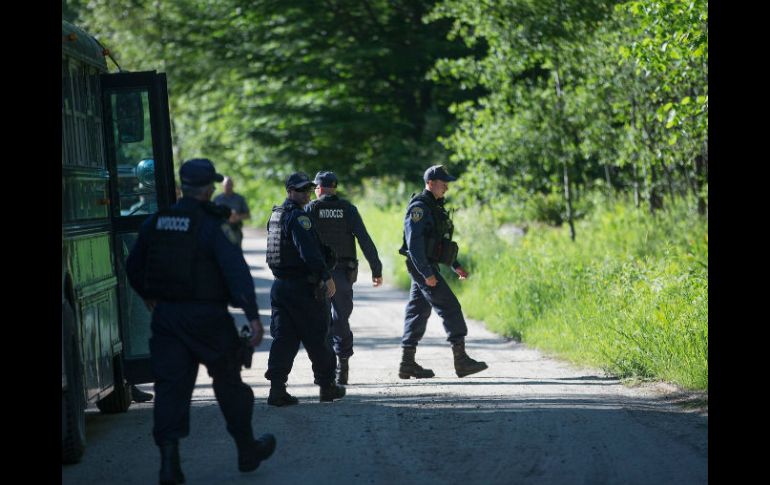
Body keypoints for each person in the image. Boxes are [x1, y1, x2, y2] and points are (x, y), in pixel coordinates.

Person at [126, 158, 276, 484]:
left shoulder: (157, 221)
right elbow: (235, 271)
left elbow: (133, 265)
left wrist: (148, 295)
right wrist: (252, 316)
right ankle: (247, 450)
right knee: (229, 384)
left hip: (167, 318)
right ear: (209, 189)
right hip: (208, 319)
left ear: (183, 185)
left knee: (170, 389)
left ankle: (169, 465)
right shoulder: (213, 225)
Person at [264, 171, 346, 406]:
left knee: (284, 339)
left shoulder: (276, 215)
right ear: (290, 191)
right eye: (301, 190)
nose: (307, 193)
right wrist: (326, 276)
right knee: (318, 337)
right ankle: (327, 387)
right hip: (304, 287)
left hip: (281, 287)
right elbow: (308, 251)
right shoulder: (299, 218)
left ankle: (277, 390)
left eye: (309, 189)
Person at [398, 165, 488, 379]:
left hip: (425, 265)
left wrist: (455, 265)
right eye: (443, 182)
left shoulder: (434, 207)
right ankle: (462, 361)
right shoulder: (419, 207)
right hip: (422, 266)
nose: (446, 186)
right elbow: (414, 245)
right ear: (430, 183)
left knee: (418, 312)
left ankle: (407, 363)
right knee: (450, 307)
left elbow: (438, 243)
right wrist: (427, 273)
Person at [306, 171, 383, 385]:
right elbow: (364, 239)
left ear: (318, 188)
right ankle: (343, 365)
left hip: (318, 274)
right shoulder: (348, 209)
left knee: (321, 321)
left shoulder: (311, 209)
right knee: (340, 318)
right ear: (335, 187)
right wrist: (376, 269)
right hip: (343, 272)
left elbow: (301, 242)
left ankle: (326, 369)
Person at [213, 176, 251, 247]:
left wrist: (237, 217)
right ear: (222, 186)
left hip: (235, 230)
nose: (228, 187)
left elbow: (248, 215)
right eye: (226, 185)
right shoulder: (217, 199)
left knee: (236, 252)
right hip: (220, 231)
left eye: (230, 184)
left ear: (233, 185)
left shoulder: (239, 199)